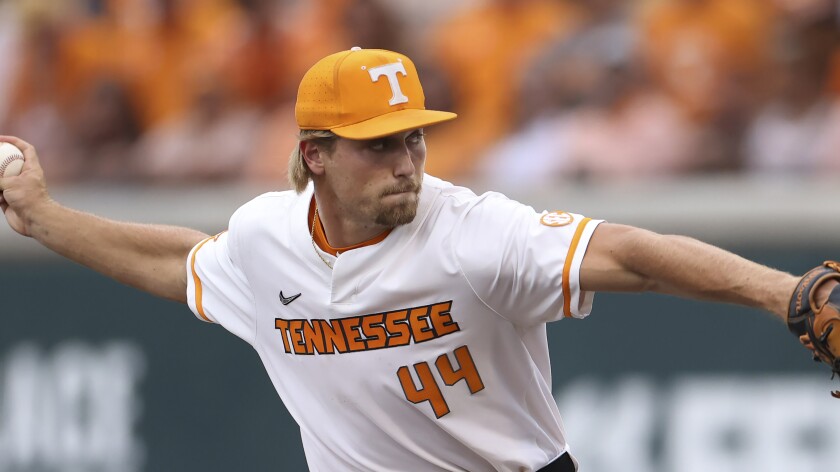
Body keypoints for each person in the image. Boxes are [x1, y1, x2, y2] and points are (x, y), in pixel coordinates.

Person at [0, 47, 832, 472]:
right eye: (377, 145)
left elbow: (634, 255)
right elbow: (179, 265)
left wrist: (786, 291)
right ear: (316, 154)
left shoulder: (470, 232)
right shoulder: (264, 239)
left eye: (413, 137)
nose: (406, 159)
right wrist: (43, 218)